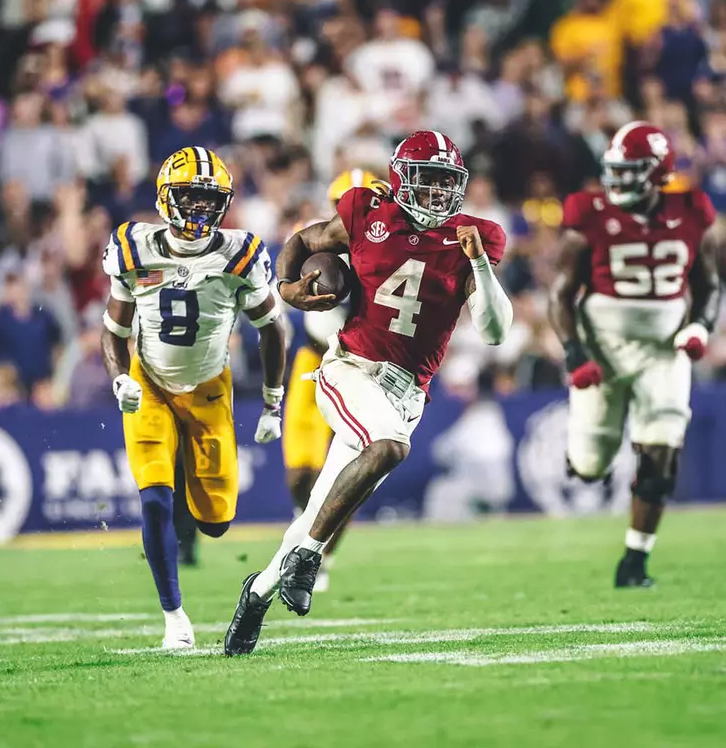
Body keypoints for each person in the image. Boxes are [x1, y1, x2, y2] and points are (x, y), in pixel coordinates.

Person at [224, 130, 512, 656]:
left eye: (446, 185)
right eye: (427, 184)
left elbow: (495, 331)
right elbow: (305, 240)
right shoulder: (367, 213)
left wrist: (479, 266)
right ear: (403, 181)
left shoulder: (476, 236)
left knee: (316, 514)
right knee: (389, 448)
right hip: (348, 369)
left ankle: (257, 594)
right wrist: (287, 289)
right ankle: (310, 559)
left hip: (406, 393)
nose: (436, 196)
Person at [101, 146, 288, 650]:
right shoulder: (133, 247)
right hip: (151, 384)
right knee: (155, 497)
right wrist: (120, 377)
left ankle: (185, 469)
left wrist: (273, 401)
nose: (199, 210)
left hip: (208, 389)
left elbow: (273, 328)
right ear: (165, 198)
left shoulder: (239, 252)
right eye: (189, 198)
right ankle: (174, 619)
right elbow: (113, 329)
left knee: (217, 522)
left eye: (209, 200)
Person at [549, 122, 721, 588]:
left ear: (658, 174)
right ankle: (580, 455)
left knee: (662, 453)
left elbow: (709, 284)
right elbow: (561, 294)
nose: (618, 182)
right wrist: (575, 353)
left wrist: (701, 327)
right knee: (590, 464)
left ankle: (634, 561)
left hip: (664, 349)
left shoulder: (690, 210)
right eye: (615, 172)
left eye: (630, 172)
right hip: (603, 348)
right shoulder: (588, 212)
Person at [282, 168, 390, 593]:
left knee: (348, 471)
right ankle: (305, 529)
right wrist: (292, 285)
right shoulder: (319, 241)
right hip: (314, 359)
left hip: (364, 365)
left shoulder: (393, 250)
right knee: (299, 474)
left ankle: (320, 556)